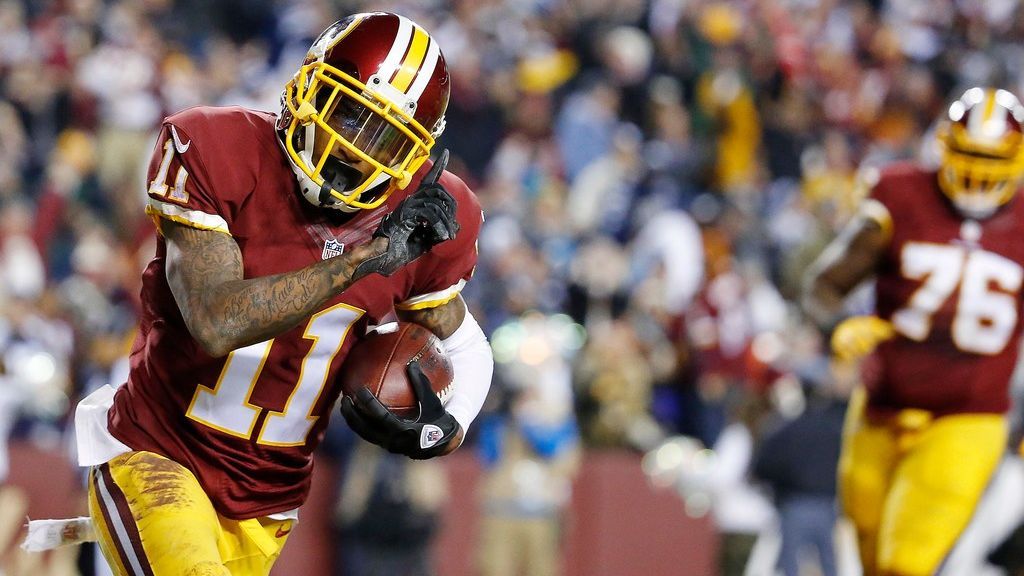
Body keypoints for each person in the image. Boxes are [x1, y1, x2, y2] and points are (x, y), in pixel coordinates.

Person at [70, 12, 493, 576]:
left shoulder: (431, 215)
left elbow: (464, 341)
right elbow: (215, 320)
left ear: (416, 155)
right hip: (158, 455)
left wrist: (448, 424)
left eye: (384, 137)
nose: (353, 149)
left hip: (269, 502)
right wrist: (363, 259)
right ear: (305, 89)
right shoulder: (216, 149)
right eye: (348, 113)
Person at [802, 87, 1024, 576]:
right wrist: (842, 325)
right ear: (943, 145)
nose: (977, 170)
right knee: (869, 554)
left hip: (969, 416)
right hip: (880, 407)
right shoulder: (900, 194)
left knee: (906, 560)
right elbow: (824, 284)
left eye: (991, 158)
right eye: (967, 154)